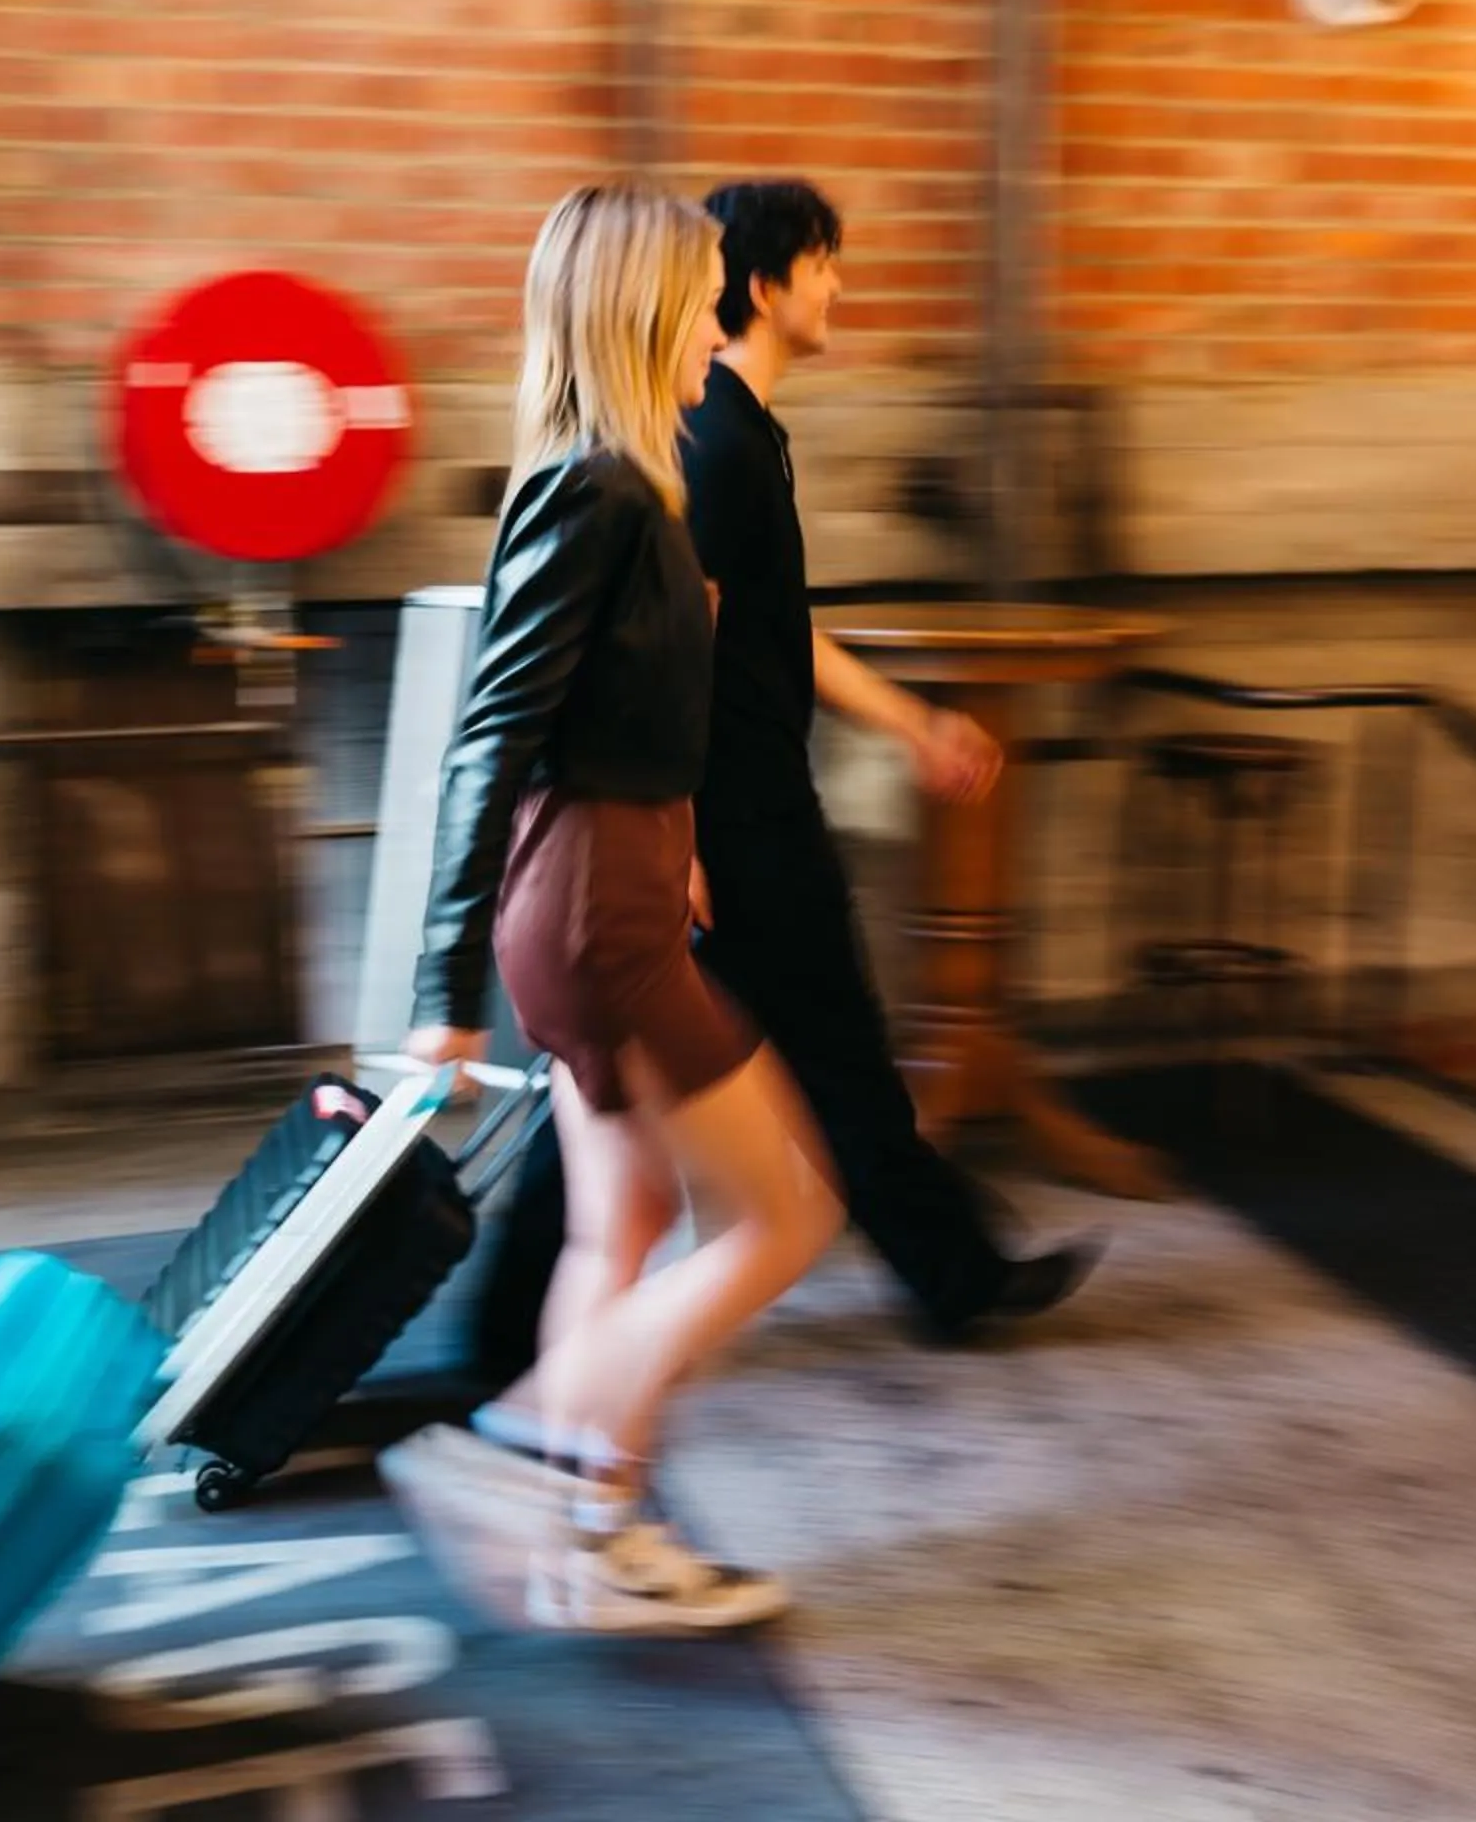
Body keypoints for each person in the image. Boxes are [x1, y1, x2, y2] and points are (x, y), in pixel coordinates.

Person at [468, 178, 1096, 1385]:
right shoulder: (706, 441)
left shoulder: (736, 434)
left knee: (695, 1076)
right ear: (760, 287)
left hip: (722, 809)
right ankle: (524, 1375)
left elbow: (764, 625)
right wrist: (685, 831)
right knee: (767, 1067)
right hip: (723, 815)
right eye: (825, 265)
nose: (839, 286)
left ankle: (518, 1358)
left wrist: (913, 720)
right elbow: (664, 648)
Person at [381, 182, 845, 1636]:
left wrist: (680, 834)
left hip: (615, 884)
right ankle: (528, 1443)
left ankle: (598, 1530)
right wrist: (441, 995)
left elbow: (611, 717)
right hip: (593, 911)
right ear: (646, 306)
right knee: (783, 1216)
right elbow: (489, 737)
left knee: (623, 1225)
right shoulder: (596, 491)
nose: (724, 315)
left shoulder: (624, 484)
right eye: (704, 289)